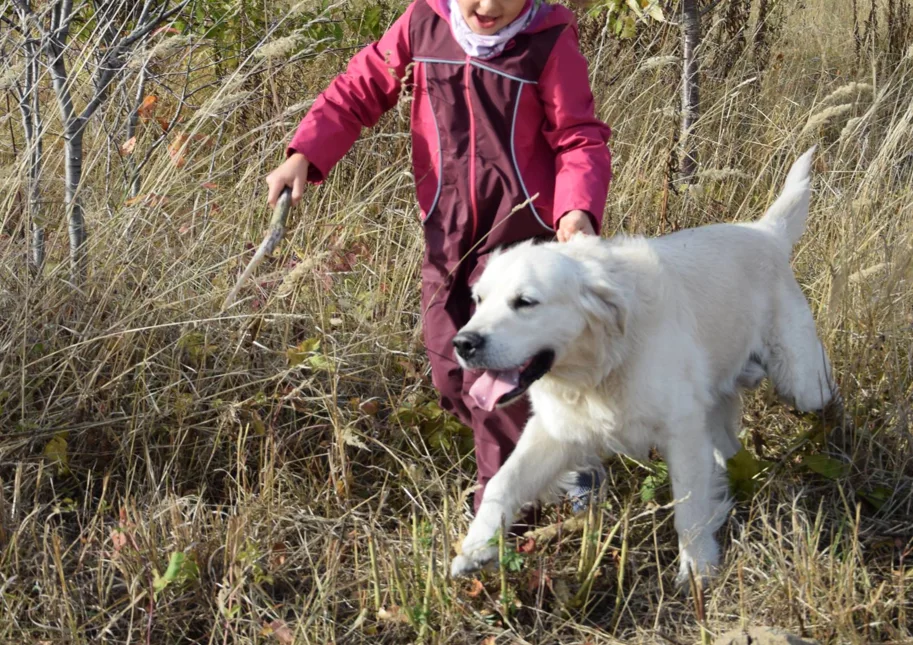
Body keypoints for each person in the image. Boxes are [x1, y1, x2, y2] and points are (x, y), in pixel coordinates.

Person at [265, 0, 612, 518]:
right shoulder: (424, 24)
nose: (489, 6)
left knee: (495, 385)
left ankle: (502, 519)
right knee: (450, 372)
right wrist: (305, 153)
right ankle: (562, 450)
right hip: (445, 232)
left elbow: (577, 136)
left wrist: (576, 209)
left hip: (518, 237)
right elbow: (357, 91)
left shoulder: (546, 37)